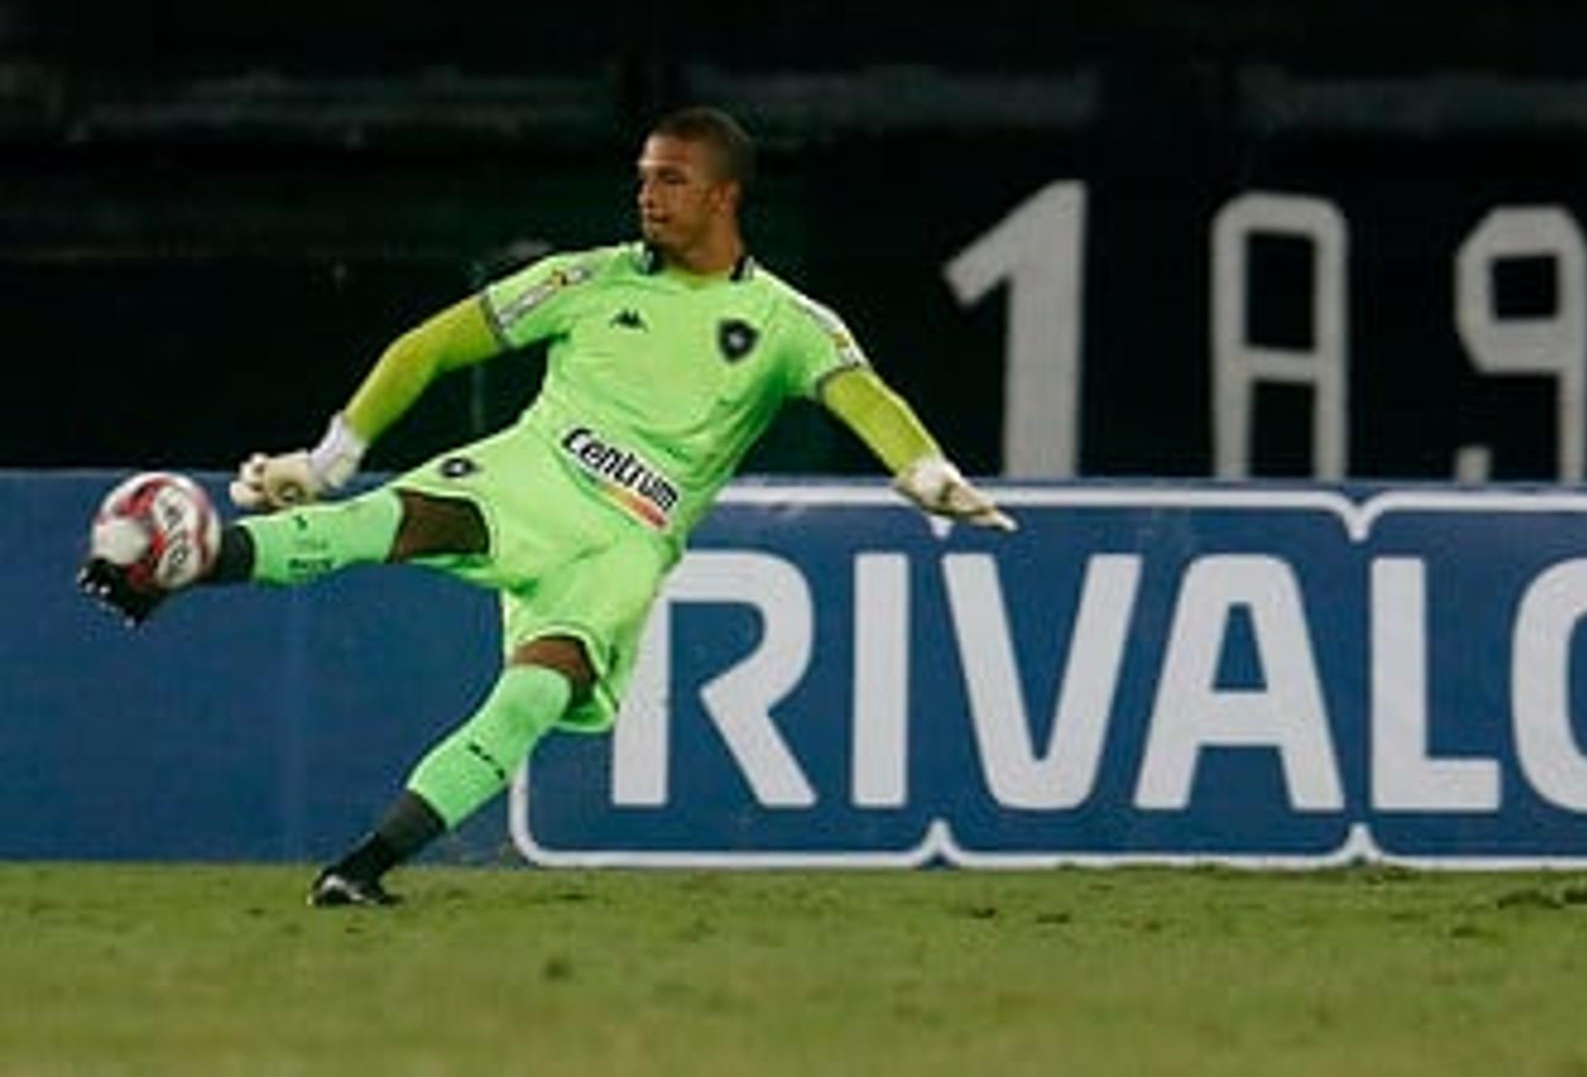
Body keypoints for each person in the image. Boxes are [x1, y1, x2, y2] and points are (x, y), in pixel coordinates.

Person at [78, 106, 1014, 906]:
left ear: (725, 197)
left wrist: (926, 471)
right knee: (368, 522)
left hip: (624, 540)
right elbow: (429, 346)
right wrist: (330, 460)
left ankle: (361, 868)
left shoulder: (789, 323)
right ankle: (186, 562)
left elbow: (866, 399)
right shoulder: (587, 278)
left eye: (673, 181)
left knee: (532, 693)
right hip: (526, 475)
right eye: (644, 177)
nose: (648, 196)